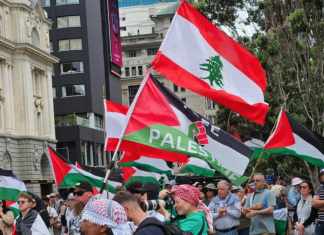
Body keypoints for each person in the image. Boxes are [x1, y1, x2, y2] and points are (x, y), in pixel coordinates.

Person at [312, 169, 324, 235]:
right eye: (322, 174)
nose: (323, 176)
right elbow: (313, 203)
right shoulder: (319, 188)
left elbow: (317, 204)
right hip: (320, 223)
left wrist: (320, 205)